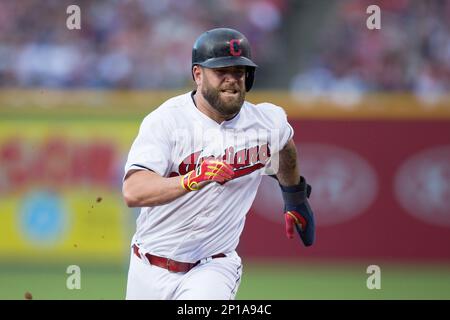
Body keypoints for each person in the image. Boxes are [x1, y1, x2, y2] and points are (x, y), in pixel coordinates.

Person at [122, 28, 315, 300]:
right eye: (221, 71)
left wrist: (294, 197)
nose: (231, 79)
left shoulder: (267, 122)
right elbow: (134, 191)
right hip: (149, 266)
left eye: (238, 71)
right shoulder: (166, 121)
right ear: (198, 75)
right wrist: (191, 180)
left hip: (214, 265)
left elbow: (286, 146)